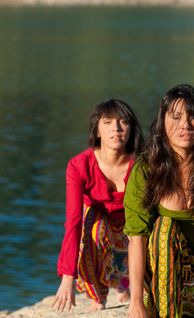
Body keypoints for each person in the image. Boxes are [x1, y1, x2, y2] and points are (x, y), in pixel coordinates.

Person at [124, 84, 194, 318]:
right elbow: (136, 238)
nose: (185, 125)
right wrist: (135, 302)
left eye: (193, 117)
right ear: (162, 121)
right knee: (165, 229)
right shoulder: (146, 168)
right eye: (175, 117)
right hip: (157, 278)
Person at [52, 98, 143, 313]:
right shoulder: (79, 165)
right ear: (98, 129)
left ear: (131, 128)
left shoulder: (140, 163)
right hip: (96, 226)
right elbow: (73, 222)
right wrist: (68, 276)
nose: (116, 129)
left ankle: (124, 285)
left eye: (123, 122)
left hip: (131, 225)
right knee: (93, 224)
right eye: (108, 122)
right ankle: (98, 295)